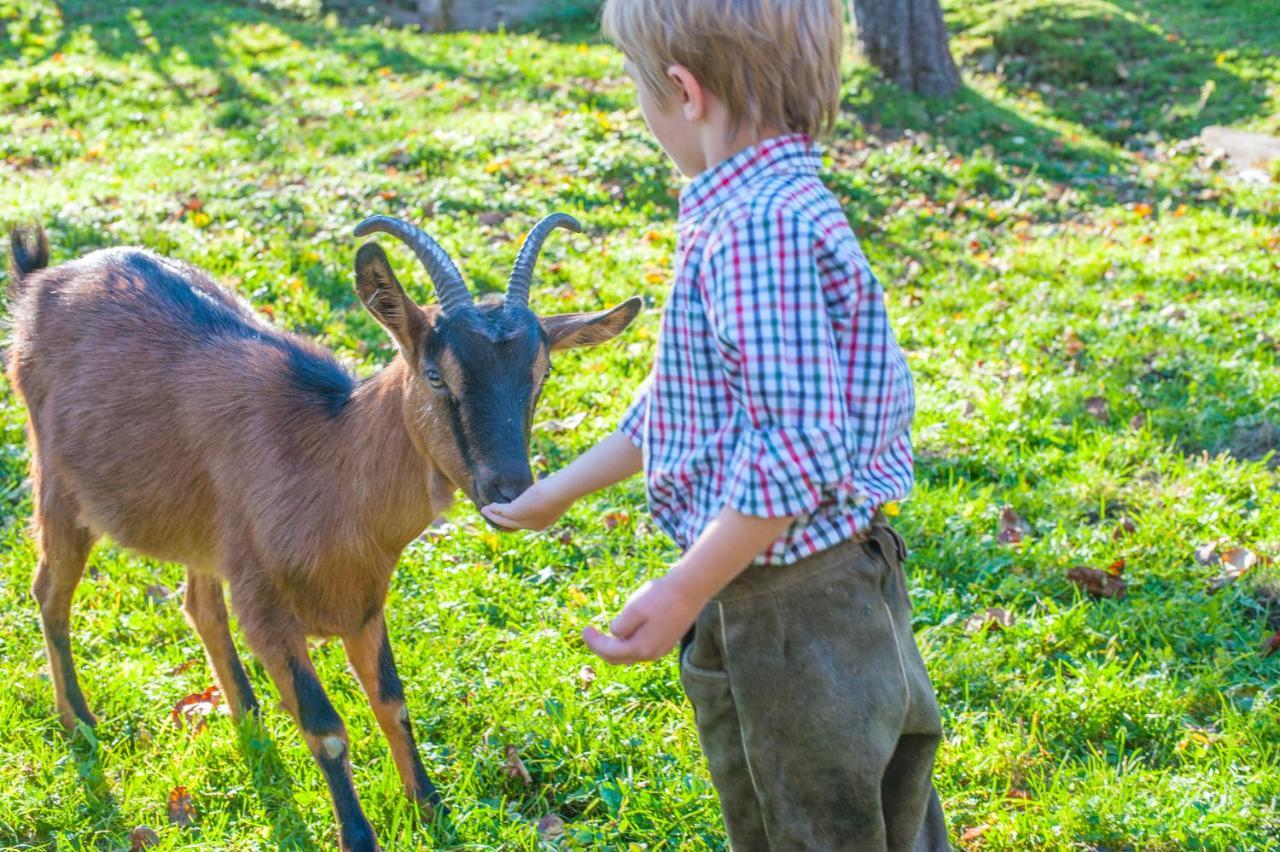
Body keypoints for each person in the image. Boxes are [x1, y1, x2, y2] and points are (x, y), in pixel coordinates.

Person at [483, 1, 949, 847]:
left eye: (636, 83)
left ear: (684, 91)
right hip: (810, 586)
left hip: (796, 613)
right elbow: (683, 406)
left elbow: (797, 449)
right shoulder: (762, 205)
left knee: (817, 823)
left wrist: (683, 588)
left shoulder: (756, 231)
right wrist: (558, 490)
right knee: (874, 812)